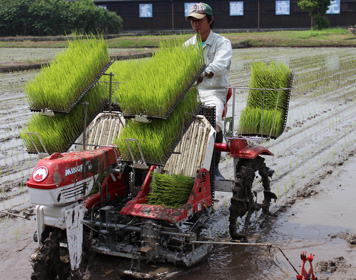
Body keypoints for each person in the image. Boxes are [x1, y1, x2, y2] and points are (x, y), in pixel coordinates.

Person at [185, 2, 232, 180]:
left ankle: (214, 168)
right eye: (192, 21)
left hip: (214, 92)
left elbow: (220, 64)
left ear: (210, 20)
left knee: (213, 120)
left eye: (199, 20)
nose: (195, 24)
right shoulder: (187, 46)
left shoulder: (222, 43)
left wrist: (202, 73)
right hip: (192, 94)